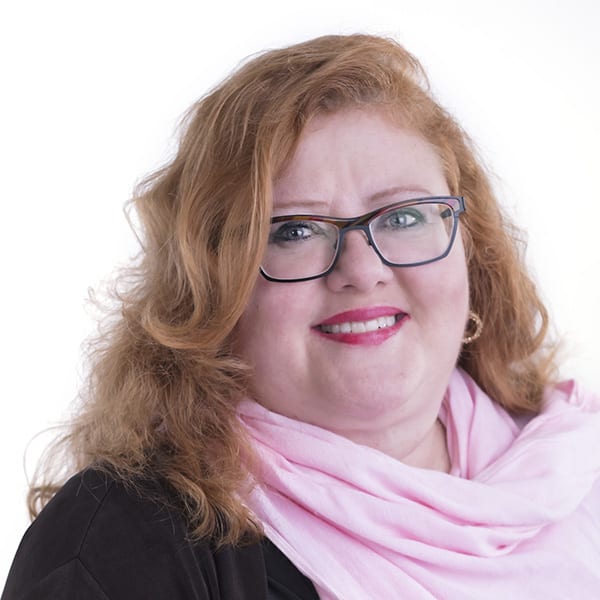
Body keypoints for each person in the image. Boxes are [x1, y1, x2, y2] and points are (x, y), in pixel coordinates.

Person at [3, 33, 600, 600]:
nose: (362, 269)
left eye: (403, 216)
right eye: (294, 231)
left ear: (472, 248)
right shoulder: (117, 545)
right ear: (211, 290)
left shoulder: (578, 471)